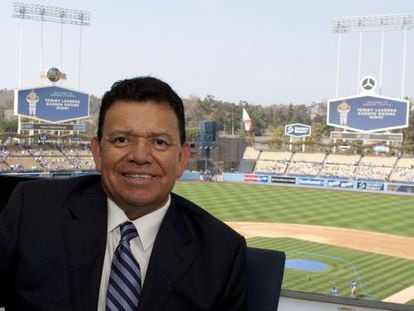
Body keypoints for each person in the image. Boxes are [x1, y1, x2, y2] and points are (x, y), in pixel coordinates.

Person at [0, 76, 247, 310]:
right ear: (97, 152)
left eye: (159, 142)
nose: (140, 156)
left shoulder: (222, 252)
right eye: (121, 140)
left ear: (182, 158)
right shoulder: (33, 211)